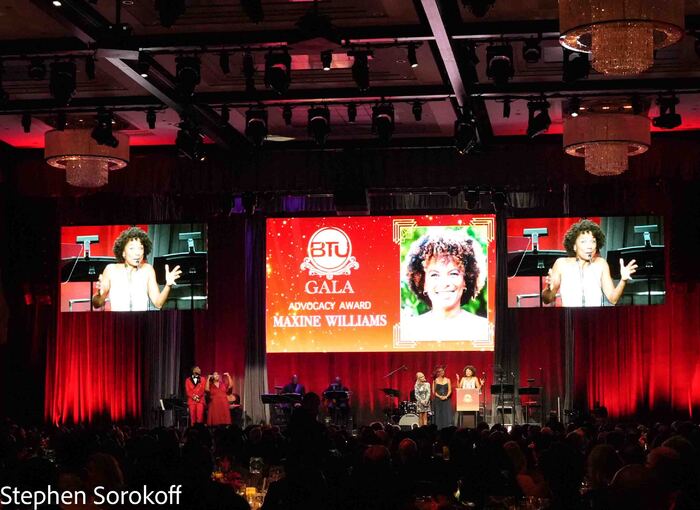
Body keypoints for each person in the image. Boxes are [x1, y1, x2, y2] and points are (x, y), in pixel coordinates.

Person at [401, 229, 489, 342]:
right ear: (423, 282)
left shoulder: (484, 330)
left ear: (466, 280)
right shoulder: (408, 331)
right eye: (434, 275)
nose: (444, 283)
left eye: (453, 273)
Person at [542, 219, 638, 307]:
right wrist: (549, 289)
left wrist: (623, 280)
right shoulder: (561, 264)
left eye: (593, 241)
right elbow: (547, 300)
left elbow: (613, 299)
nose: (590, 246)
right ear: (574, 246)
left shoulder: (601, 264)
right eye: (583, 241)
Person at [91, 226, 182, 311]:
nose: (137, 253)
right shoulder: (111, 270)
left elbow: (158, 304)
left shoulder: (148, 270)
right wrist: (99, 294)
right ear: (123, 253)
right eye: (132, 248)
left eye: (140, 248)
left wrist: (168, 285)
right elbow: (97, 304)